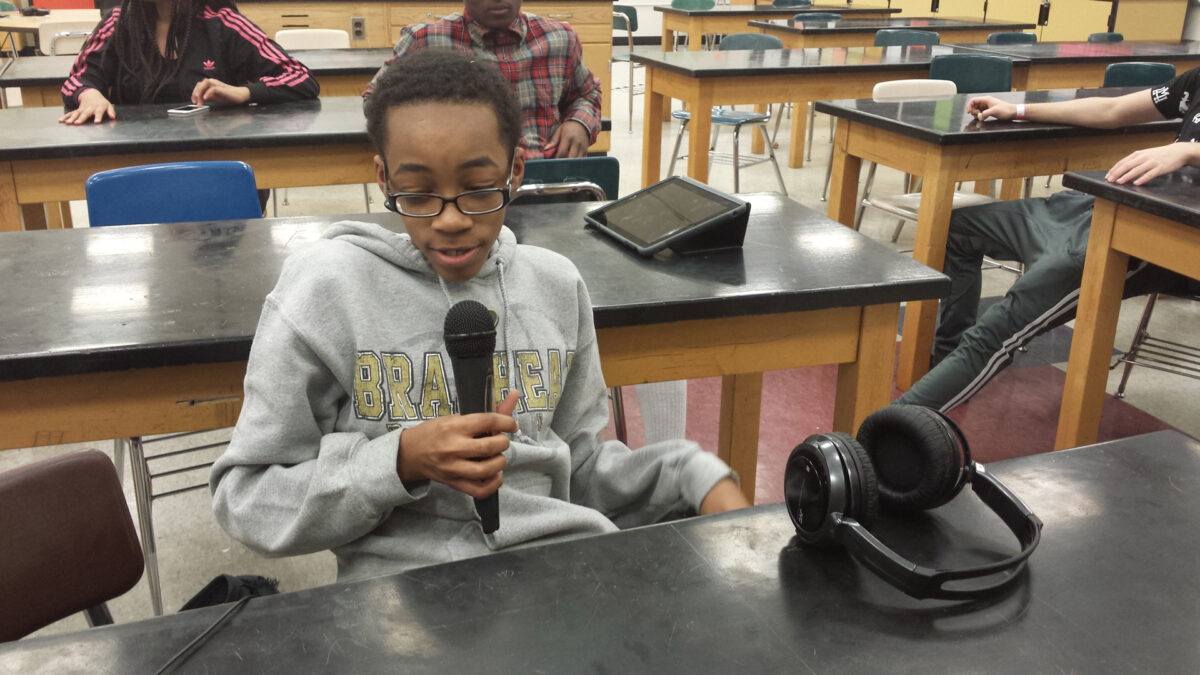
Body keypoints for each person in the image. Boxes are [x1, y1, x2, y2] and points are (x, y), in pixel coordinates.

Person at [211, 50, 748, 582]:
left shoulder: (556, 285)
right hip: (401, 602)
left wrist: (687, 474)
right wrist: (397, 461)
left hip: (558, 580)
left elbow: (576, 469)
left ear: (515, 169)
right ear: (384, 179)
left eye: (477, 189)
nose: (449, 220)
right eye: (418, 193)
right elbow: (247, 498)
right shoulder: (325, 291)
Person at [895, 69, 1199, 412]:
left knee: (997, 328)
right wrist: (1018, 110)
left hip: (1145, 235)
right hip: (1094, 207)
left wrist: (1189, 153)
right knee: (957, 229)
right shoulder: (1196, 81)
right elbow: (1111, 111)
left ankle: (886, 434)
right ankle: (951, 363)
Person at [362, 0, 600, 159]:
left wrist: (579, 122)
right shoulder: (425, 41)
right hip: (462, 187)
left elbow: (586, 94)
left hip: (549, 186)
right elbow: (376, 101)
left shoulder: (559, 39)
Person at [60, 0, 318, 125]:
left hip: (218, 158)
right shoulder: (118, 23)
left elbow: (298, 76)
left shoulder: (224, 23)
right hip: (138, 162)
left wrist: (244, 92)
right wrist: (89, 94)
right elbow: (78, 79)